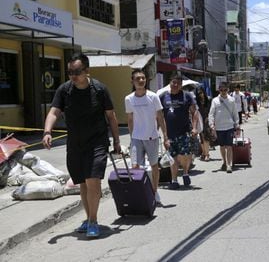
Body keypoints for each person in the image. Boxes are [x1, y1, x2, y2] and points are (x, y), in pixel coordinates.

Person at [42, 53, 121, 238]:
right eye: (69, 72)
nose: (72, 75)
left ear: (86, 71)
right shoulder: (64, 90)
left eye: (76, 72)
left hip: (97, 143)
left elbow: (111, 117)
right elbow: (54, 112)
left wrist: (117, 141)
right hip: (75, 144)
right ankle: (88, 218)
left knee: (93, 180)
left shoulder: (100, 89)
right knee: (83, 184)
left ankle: (93, 221)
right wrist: (47, 131)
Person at [125, 69, 169, 205]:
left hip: (152, 137)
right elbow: (130, 119)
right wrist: (131, 138)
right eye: (137, 78)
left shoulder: (153, 96)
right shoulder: (129, 98)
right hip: (137, 138)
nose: (141, 80)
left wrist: (166, 136)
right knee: (135, 167)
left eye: (143, 78)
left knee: (154, 166)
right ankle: (140, 193)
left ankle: (155, 192)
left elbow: (160, 117)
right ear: (132, 81)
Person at [159, 74, 198, 190]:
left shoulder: (187, 96)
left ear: (181, 85)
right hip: (169, 134)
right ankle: (174, 180)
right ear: (170, 83)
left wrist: (195, 128)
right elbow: (159, 116)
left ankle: (185, 172)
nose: (175, 85)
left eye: (178, 83)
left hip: (184, 132)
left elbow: (194, 112)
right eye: (173, 82)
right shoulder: (162, 97)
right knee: (173, 157)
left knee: (184, 155)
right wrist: (161, 133)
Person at [209, 82, 240, 173]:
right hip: (219, 127)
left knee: (229, 146)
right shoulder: (215, 100)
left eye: (225, 90)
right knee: (222, 146)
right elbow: (211, 114)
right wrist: (211, 125)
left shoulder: (232, 100)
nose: (223, 91)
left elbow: (235, 113)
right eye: (221, 90)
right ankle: (224, 161)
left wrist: (237, 124)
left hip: (229, 126)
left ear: (228, 90)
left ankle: (229, 165)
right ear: (219, 90)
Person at [195, 87, 213, 161]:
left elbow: (212, 110)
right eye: (199, 93)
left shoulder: (208, 100)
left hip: (206, 120)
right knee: (201, 138)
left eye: (201, 93)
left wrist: (208, 118)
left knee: (206, 137)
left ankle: (207, 154)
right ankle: (204, 152)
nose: (200, 95)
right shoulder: (196, 101)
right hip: (199, 120)